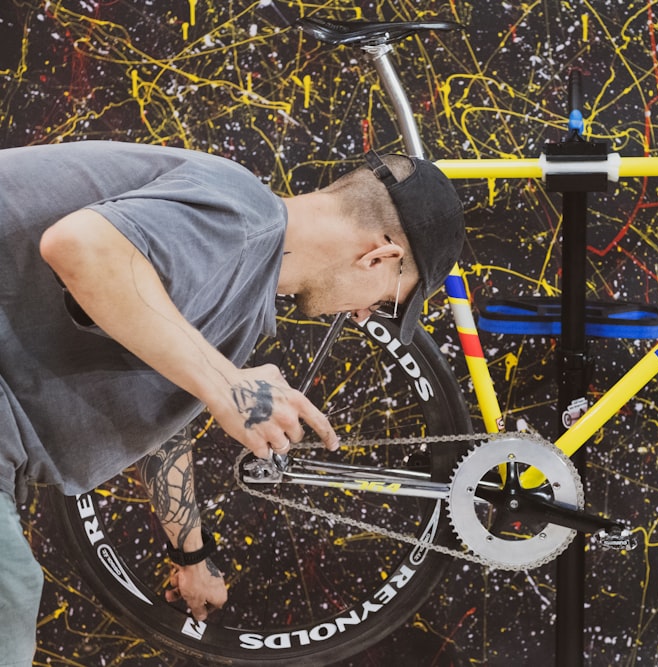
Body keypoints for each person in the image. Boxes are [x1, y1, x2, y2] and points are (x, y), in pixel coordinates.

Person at [0, 140, 465, 665]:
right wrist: (224, 383)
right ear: (379, 257)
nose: (364, 316)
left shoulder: (244, 282)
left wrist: (189, 552)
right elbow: (82, 245)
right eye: (385, 300)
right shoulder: (244, 216)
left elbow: (159, 414)